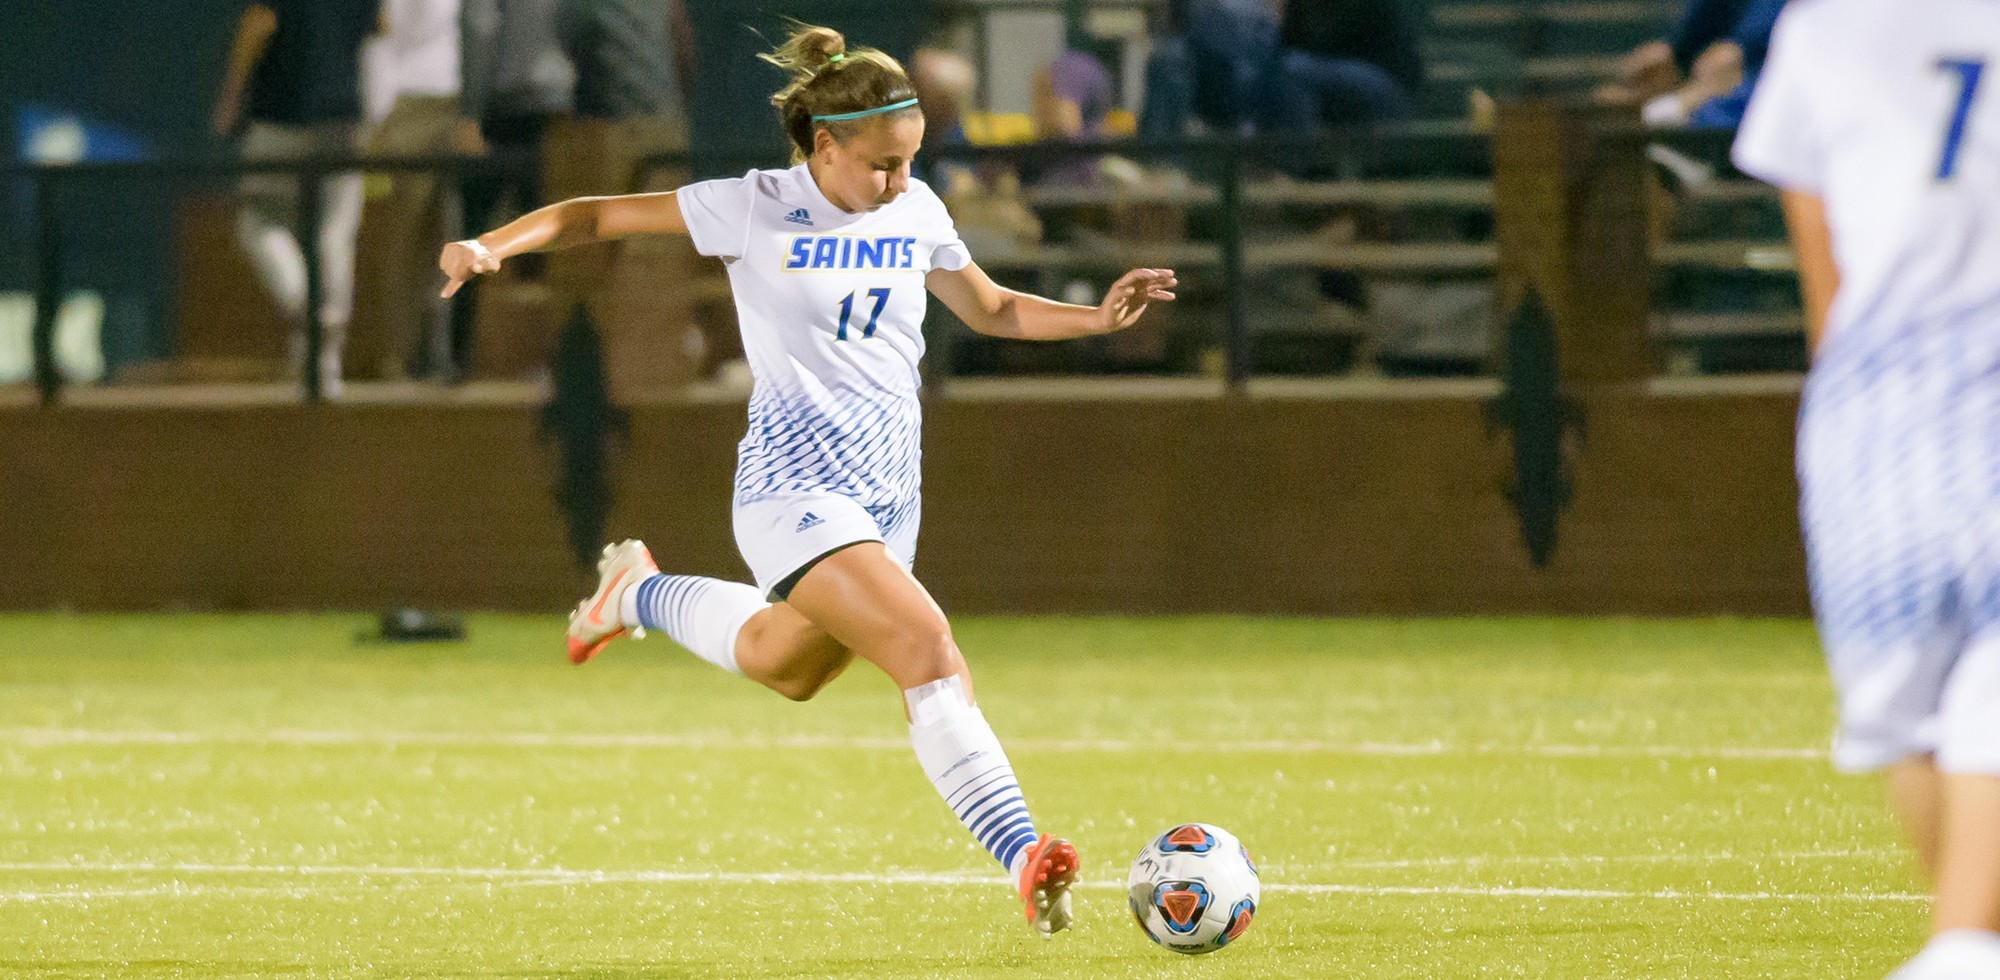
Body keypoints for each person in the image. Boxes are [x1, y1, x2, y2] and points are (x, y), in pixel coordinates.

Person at [436, 23, 1177, 936]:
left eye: (910, 162)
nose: (899, 182)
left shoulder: (916, 210)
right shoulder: (755, 205)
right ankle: (1026, 856)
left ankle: (635, 594)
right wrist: (491, 246)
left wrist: (1097, 320)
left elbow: (991, 309)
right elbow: (594, 214)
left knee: (784, 666)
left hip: (887, 503)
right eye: (880, 164)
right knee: (929, 653)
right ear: (824, 146)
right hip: (792, 493)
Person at [1732, 2, 2000, 977]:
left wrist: (1843, 401)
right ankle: (1968, 941)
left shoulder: (1823, 27)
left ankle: (1963, 940)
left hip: (1878, 403)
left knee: (1910, 711)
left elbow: (1819, 251)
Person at [212, 0, 381, 396]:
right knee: (334, 236)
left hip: (280, 116)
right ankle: (323, 366)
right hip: (343, 116)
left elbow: (260, 21)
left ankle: (302, 302)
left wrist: (231, 95)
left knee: (257, 221)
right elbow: (377, 32)